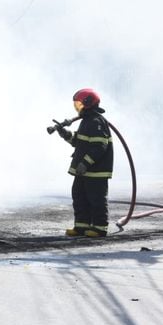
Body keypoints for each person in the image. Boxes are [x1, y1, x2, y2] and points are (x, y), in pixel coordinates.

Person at [56, 88, 114, 238]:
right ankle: (81, 227)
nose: (77, 107)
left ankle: (100, 228)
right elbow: (79, 143)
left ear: (88, 103)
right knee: (79, 196)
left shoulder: (96, 121)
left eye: (79, 104)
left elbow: (100, 146)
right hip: (84, 171)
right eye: (76, 104)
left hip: (96, 171)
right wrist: (65, 134)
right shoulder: (87, 121)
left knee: (96, 199)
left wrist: (85, 163)